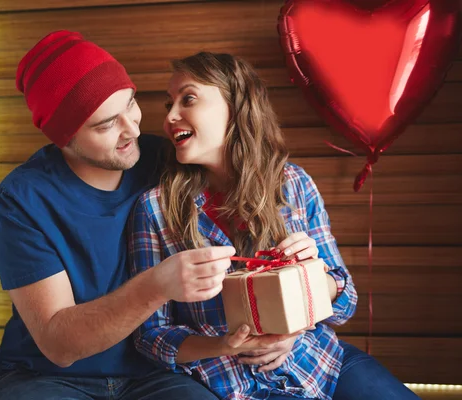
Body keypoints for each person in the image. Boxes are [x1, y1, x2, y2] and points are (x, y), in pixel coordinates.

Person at [129, 52, 421, 400]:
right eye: (169, 104)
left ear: (236, 108)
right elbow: (151, 336)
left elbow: (345, 299)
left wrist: (309, 279)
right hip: (232, 382)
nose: (170, 117)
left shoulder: (294, 183)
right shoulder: (155, 209)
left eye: (188, 99)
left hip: (318, 361)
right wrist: (222, 344)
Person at [0, 31, 237, 400]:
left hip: (158, 372)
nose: (132, 129)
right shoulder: (21, 199)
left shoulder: (165, 160)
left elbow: (248, 176)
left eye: (130, 105)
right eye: (106, 125)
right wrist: (157, 284)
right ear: (63, 137)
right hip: (43, 377)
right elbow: (58, 344)